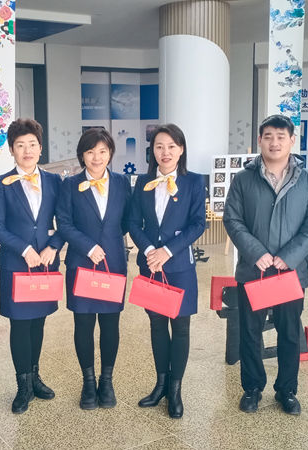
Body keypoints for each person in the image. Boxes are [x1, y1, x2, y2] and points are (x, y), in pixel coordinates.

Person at [224, 114, 308, 416]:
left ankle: (287, 390)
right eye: (268, 136)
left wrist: (289, 256)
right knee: (250, 332)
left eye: (281, 137)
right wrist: (256, 252)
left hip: (290, 273)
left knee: (290, 333)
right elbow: (232, 219)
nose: (275, 142)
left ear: (292, 140)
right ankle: (252, 388)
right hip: (253, 270)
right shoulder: (243, 179)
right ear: (260, 140)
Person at [128, 124, 206, 419]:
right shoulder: (142, 182)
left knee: (181, 327)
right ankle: (160, 384)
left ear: (181, 149)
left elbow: (198, 224)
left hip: (179, 266)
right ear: (152, 151)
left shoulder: (194, 182)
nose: (165, 152)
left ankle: (175, 390)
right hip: (150, 265)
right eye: (159, 146)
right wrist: (151, 251)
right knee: (157, 325)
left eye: (172, 146)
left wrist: (167, 251)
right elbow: (133, 223)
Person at [0, 118, 65, 414]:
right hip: (15, 263)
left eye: (32, 144)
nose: (27, 150)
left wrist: (53, 246)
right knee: (20, 324)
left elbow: (65, 221)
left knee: (38, 321)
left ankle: (35, 378)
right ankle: (22, 386)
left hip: (45, 264)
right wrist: (24, 249)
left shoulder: (54, 181)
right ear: (11, 149)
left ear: (40, 147)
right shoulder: (1, 182)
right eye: (20, 145)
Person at [55, 128, 131, 410]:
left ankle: (106, 381)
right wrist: (89, 246)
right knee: (84, 324)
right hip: (81, 263)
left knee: (111, 324)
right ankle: (88, 382)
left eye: (102, 151)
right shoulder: (69, 185)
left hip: (113, 263)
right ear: (82, 155)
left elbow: (128, 220)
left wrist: (110, 242)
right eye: (90, 152)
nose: (96, 157)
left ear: (110, 153)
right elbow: (64, 223)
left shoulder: (122, 183)